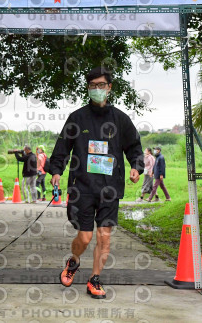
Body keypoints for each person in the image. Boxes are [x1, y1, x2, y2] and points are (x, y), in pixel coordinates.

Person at [49, 67, 144, 299]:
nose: (97, 89)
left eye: (101, 85)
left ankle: (95, 279)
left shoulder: (121, 119)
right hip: (82, 187)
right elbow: (62, 148)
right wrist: (56, 171)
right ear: (88, 88)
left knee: (104, 236)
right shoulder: (77, 118)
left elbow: (134, 147)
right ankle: (74, 261)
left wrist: (135, 167)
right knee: (85, 237)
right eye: (93, 86)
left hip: (110, 188)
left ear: (109, 88)